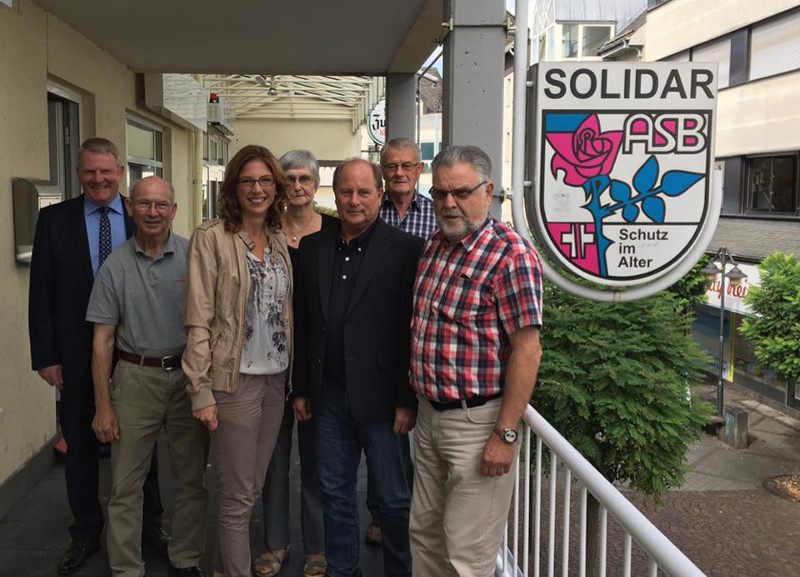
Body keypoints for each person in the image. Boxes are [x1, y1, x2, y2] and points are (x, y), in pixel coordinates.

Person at [28, 137, 168, 575]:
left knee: (140, 447)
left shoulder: (140, 213)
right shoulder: (53, 221)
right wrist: (45, 356)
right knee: (81, 447)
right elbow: (41, 293)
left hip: (131, 354)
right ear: (78, 173)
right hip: (73, 355)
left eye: (106, 171)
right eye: (90, 171)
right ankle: (86, 531)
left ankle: (150, 528)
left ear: (121, 172)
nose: (98, 179)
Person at [408, 146, 543, 577]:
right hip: (429, 418)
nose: (449, 203)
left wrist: (504, 435)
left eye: (461, 192)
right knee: (425, 538)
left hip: (477, 423)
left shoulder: (511, 256)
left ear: (488, 193)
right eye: (440, 193)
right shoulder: (435, 246)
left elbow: (528, 351)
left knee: (466, 556)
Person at [292, 159, 423, 577]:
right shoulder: (313, 248)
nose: (353, 200)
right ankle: (342, 569)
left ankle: (400, 570)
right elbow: (305, 322)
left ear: (379, 196)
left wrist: (407, 400)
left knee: (393, 497)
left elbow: (410, 328)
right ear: (335, 194)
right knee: (335, 491)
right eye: (346, 192)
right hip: (327, 394)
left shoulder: (404, 249)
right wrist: (301, 389)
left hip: (384, 399)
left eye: (364, 192)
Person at [86, 176, 209, 577]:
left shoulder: (194, 258)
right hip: (135, 379)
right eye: (144, 204)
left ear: (174, 209)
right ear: (131, 208)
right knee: (125, 485)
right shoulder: (115, 266)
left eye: (161, 205)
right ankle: (126, 568)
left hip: (186, 379)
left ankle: (186, 557)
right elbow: (102, 339)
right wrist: (103, 405)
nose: (153, 213)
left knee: (191, 479)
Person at [182, 144, 293, 577]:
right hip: (233, 382)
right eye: (248, 180)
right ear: (234, 187)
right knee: (236, 495)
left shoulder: (280, 237)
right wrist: (200, 390)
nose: (257, 189)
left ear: (275, 187)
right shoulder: (211, 238)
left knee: (252, 487)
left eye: (266, 180)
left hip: (275, 381)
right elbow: (197, 319)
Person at [257, 150, 333, 577]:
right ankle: (274, 544)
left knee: (316, 459)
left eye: (306, 177)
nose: (299, 185)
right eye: (290, 178)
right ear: (280, 185)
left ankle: (317, 548)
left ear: (316, 182)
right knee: (273, 458)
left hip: (319, 366)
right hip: (271, 362)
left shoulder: (335, 232)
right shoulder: (265, 232)